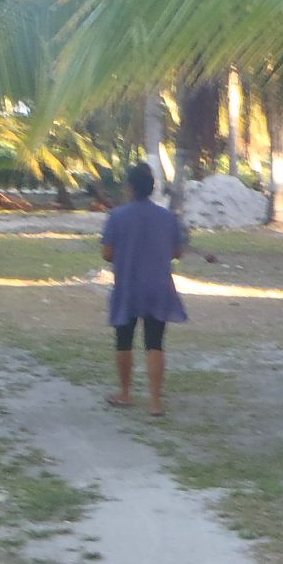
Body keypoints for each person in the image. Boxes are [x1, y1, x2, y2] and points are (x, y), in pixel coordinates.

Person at [99, 160, 188, 418]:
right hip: (159, 287)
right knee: (155, 343)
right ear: (152, 188)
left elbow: (107, 253)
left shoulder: (117, 216)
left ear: (129, 187)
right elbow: (177, 252)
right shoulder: (167, 217)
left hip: (127, 286)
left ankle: (125, 393)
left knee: (124, 341)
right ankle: (156, 403)